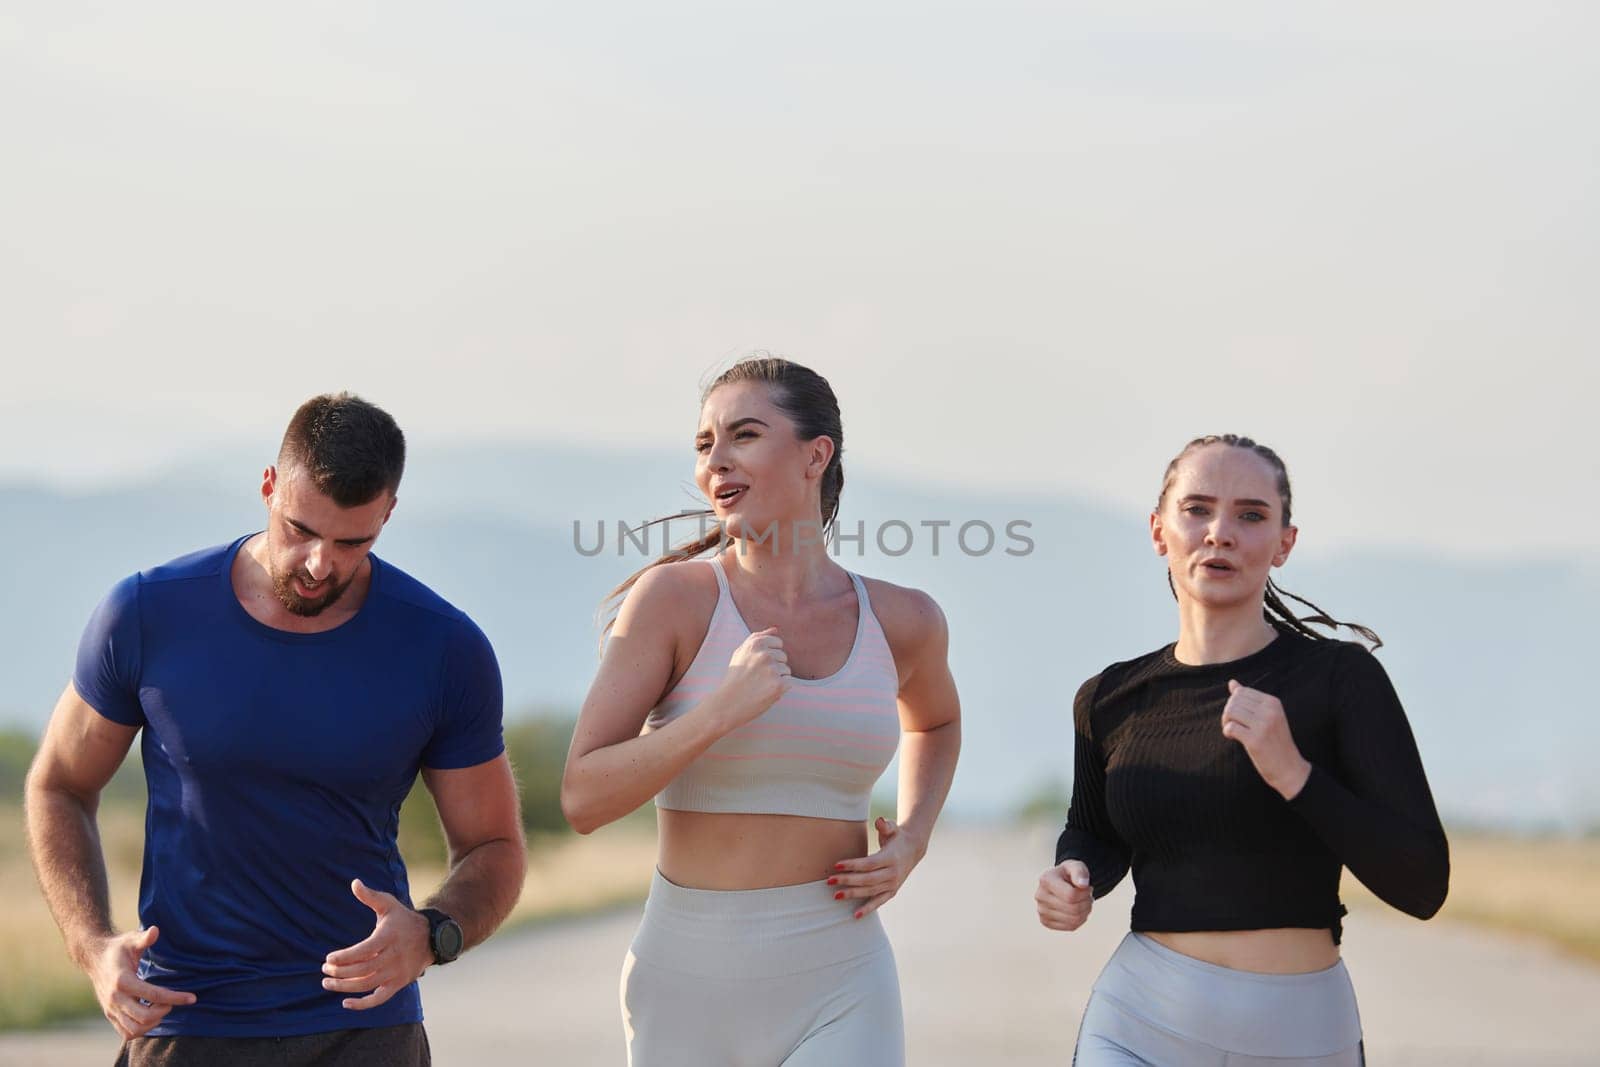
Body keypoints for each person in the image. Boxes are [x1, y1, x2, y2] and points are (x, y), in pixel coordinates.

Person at [25, 393, 526, 1067]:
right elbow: (58, 785)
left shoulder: (444, 647)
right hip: (187, 1024)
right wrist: (90, 945)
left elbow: (494, 845)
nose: (321, 563)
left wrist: (433, 933)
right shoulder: (147, 613)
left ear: (388, 514)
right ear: (268, 485)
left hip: (365, 1031)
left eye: (353, 541)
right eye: (300, 529)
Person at [561, 357, 961, 1067]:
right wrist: (718, 711)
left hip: (843, 977)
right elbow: (584, 796)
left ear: (816, 455)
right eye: (704, 443)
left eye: (743, 434)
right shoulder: (673, 602)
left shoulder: (904, 619)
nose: (716, 460)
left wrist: (915, 836)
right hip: (684, 985)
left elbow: (934, 721)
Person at [1036, 434, 1450, 1066]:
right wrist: (1074, 874)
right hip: (1139, 1023)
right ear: (1159, 530)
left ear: (1284, 543)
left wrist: (1296, 776)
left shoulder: (1339, 680)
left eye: (1251, 515)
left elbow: (1423, 885)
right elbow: (1094, 832)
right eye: (1197, 508)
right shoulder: (1110, 696)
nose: (1220, 532)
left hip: (1303, 1034)